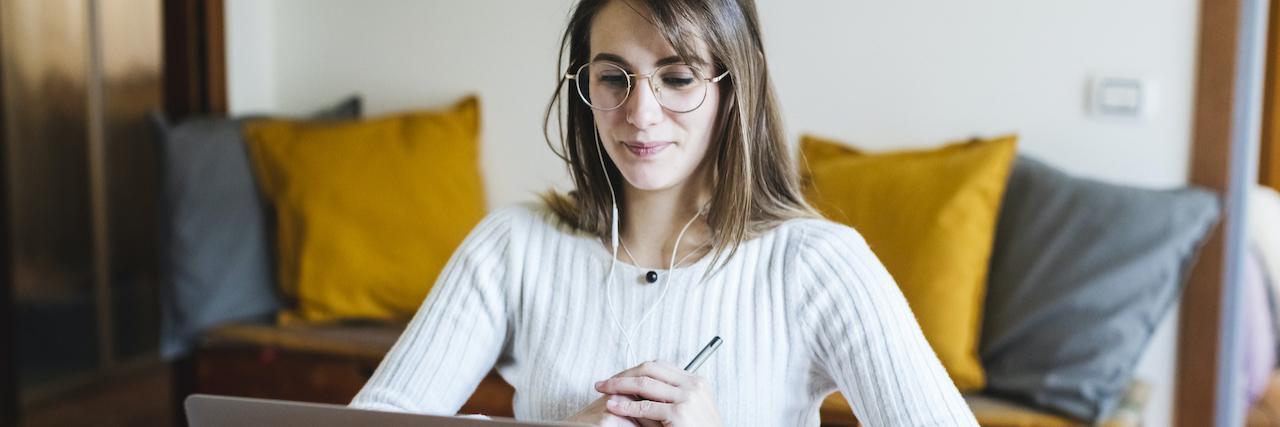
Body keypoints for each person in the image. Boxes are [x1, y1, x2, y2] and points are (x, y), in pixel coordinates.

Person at [350, 0, 979, 426]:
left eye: (678, 78)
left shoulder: (818, 265)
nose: (640, 113)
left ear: (734, 89)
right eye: (613, 77)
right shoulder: (513, 247)